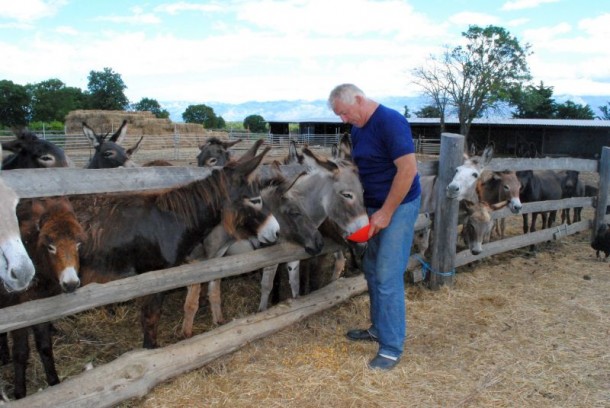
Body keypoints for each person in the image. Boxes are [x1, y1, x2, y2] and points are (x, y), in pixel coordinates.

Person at [328, 83, 421, 370]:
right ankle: (379, 329)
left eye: (344, 113)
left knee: (387, 274)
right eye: (339, 116)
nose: (344, 120)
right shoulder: (358, 128)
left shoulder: (390, 122)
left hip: (399, 205)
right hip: (374, 206)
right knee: (371, 269)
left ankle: (392, 347)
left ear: (358, 99)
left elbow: (408, 170)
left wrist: (386, 212)